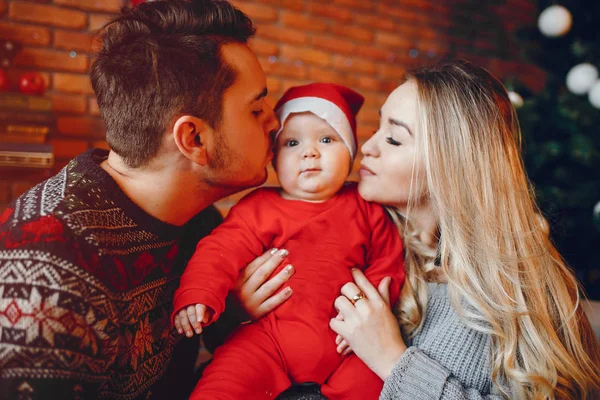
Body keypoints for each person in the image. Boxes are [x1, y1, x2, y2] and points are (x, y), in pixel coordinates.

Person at [241, 60, 600, 399]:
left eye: (394, 139)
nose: (367, 147)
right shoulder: (354, 238)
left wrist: (392, 361)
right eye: (378, 127)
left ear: (451, 165)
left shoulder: (514, 290)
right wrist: (241, 313)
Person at [0, 1, 291, 399]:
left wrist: (231, 314)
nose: (275, 121)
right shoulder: (45, 284)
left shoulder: (199, 221)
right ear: (194, 140)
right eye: (256, 108)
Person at [172, 83, 406, 399]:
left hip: (349, 344)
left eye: (327, 139)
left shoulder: (366, 206)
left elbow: (388, 264)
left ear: (350, 153)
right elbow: (219, 250)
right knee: (222, 384)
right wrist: (199, 291)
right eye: (292, 142)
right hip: (268, 340)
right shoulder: (259, 207)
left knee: (375, 386)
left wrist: (370, 319)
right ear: (275, 158)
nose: (309, 152)